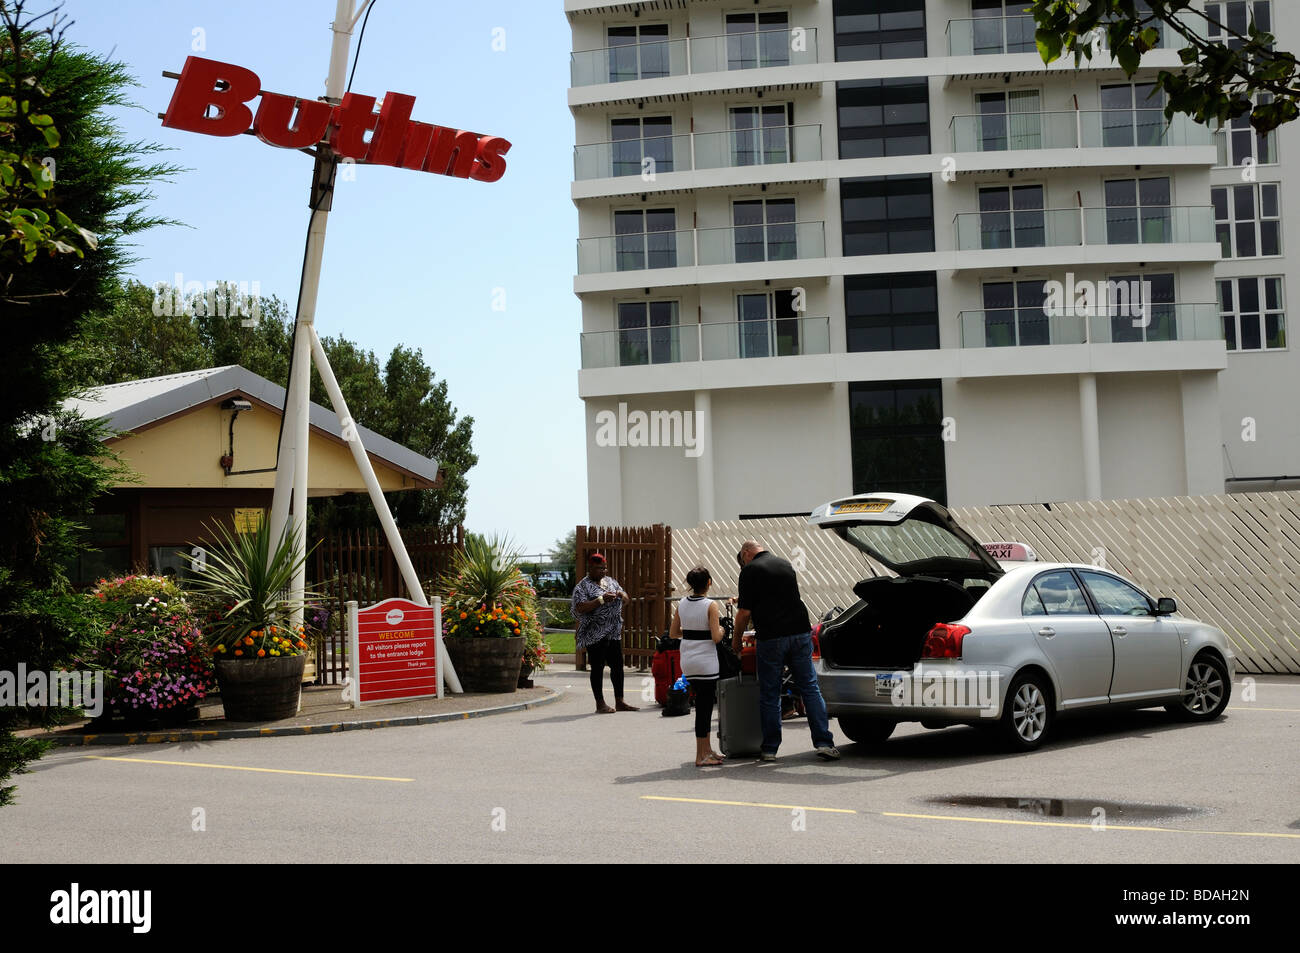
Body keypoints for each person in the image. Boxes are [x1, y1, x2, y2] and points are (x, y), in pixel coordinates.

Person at [732, 540, 838, 762]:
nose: (743, 564)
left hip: (772, 637)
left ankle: (770, 748)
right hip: (800, 633)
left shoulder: (750, 570)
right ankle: (824, 743)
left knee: (770, 693)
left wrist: (736, 641)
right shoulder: (784, 564)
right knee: (810, 688)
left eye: (742, 561)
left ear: (746, 554)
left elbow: (743, 613)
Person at [671, 566, 726, 767]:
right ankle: (700, 755)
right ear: (708, 582)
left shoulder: (682, 604)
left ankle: (707, 750)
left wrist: (692, 631)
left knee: (703, 707)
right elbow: (715, 636)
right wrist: (721, 629)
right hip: (706, 662)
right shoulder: (710, 605)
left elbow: (673, 633)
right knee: (704, 709)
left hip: (688, 660)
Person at [571, 553, 639, 714]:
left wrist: (623, 596)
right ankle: (600, 703)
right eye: (599, 568)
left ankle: (620, 701)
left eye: (604, 568)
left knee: (617, 667)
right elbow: (580, 608)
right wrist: (601, 600)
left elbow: (627, 599)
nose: (603, 571)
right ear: (590, 569)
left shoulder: (610, 581)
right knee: (597, 667)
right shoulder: (583, 586)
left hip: (613, 631)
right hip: (595, 633)